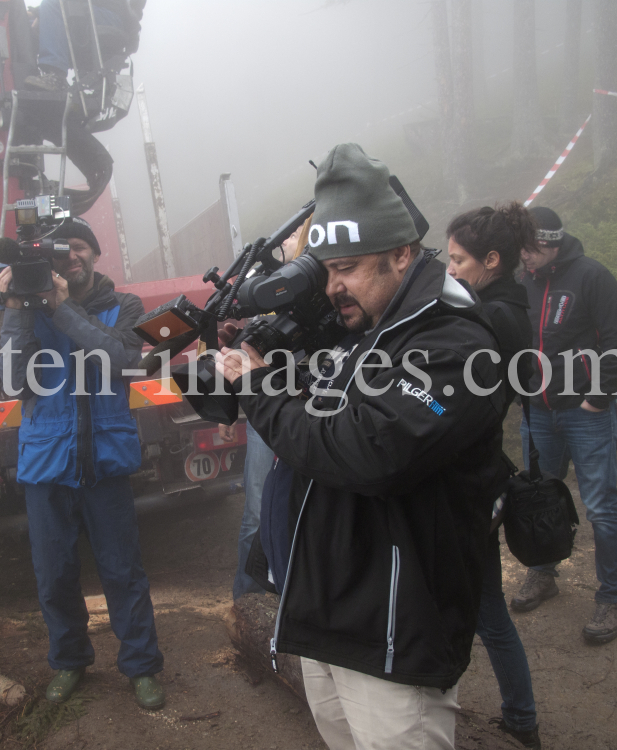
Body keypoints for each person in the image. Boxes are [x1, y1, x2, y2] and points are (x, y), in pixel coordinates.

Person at [217, 144, 507, 750]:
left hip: (396, 631)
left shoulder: (455, 343)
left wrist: (261, 388)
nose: (333, 287)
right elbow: (316, 417)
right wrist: (264, 370)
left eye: (347, 267)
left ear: (402, 254)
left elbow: (365, 453)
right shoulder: (360, 332)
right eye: (326, 270)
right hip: (328, 617)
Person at [0, 216, 165, 709]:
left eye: (79, 248)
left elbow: (126, 361)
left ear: (93, 253)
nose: (71, 257)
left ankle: (142, 667)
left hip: (105, 463)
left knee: (123, 572)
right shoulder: (25, 310)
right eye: (60, 252)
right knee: (54, 577)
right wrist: (13, 307)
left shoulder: (122, 306)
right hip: (47, 465)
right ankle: (69, 663)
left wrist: (63, 307)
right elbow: (12, 378)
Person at [512, 206, 617, 645]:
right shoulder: (522, 282)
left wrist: (598, 398)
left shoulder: (591, 276)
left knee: (601, 504)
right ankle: (543, 573)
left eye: (528, 249)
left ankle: (614, 596)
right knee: (539, 496)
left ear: (549, 242)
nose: (522, 257)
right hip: (538, 411)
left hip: (586, 413)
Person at [445, 204, 541, 749]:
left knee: (487, 612)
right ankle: (520, 717)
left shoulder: (494, 318)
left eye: (459, 260)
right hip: (479, 477)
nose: (452, 269)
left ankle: (522, 721)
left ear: (493, 260)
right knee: (484, 609)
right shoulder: (497, 306)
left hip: (472, 485)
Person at [230, 216, 312, 600]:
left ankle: (291, 605)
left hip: (307, 410)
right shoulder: (266, 287)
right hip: (266, 408)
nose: (290, 239)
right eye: (291, 233)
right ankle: (247, 605)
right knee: (257, 515)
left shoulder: (320, 288)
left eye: (298, 233)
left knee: (299, 512)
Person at [26, 0, 145, 91]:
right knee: (26, 24)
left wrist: (39, 12)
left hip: (110, 15)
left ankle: (56, 77)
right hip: (89, 9)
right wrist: (37, 13)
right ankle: (29, 76)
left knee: (51, 5)